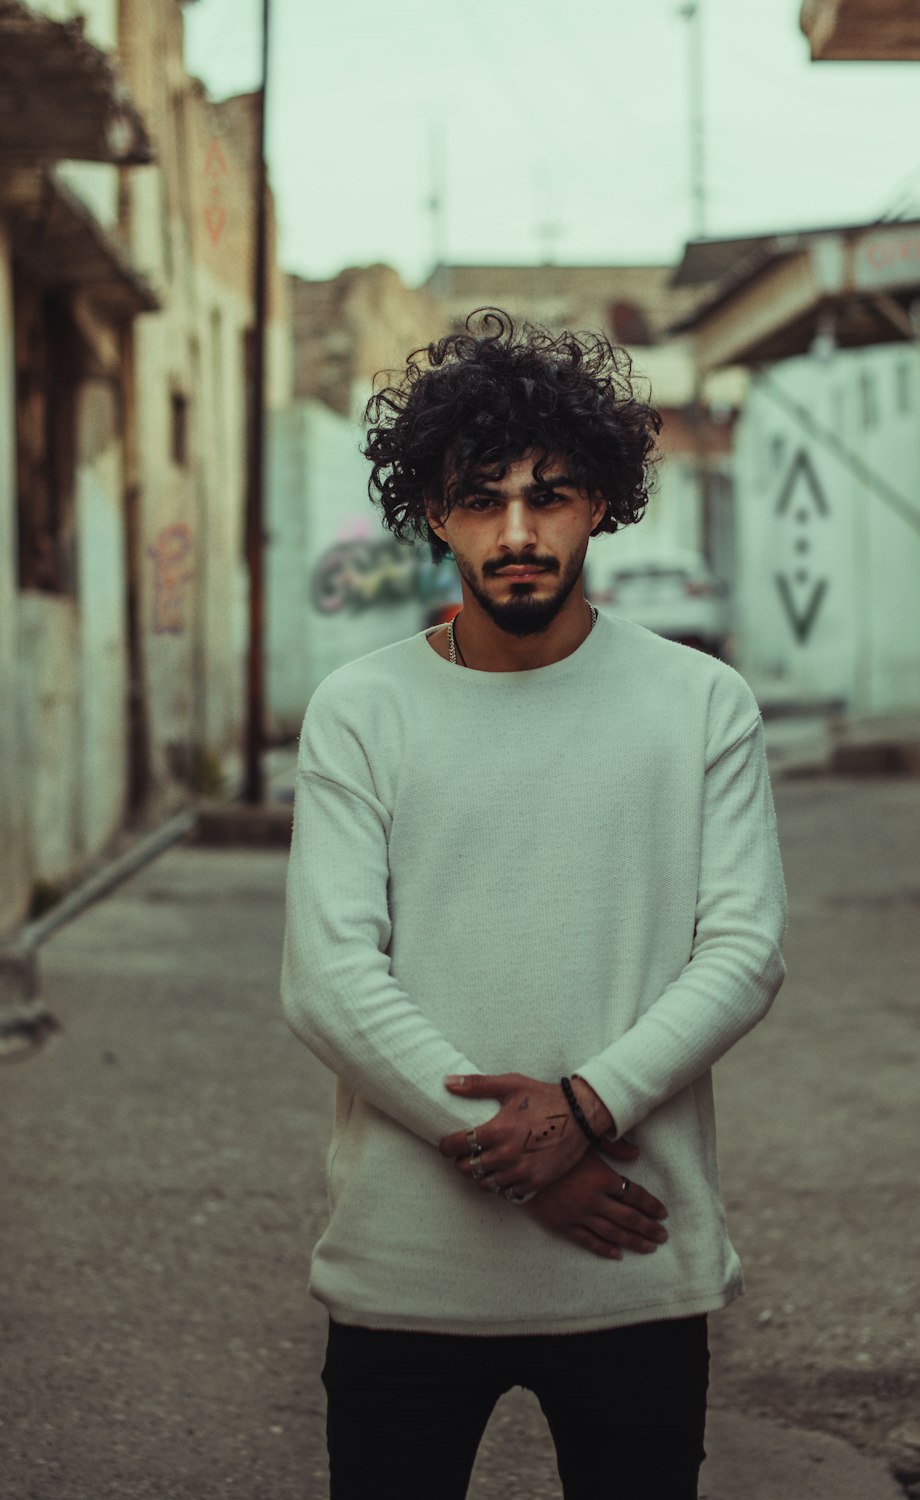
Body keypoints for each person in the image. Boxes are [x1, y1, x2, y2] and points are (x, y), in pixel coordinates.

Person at [281, 309, 787, 1500]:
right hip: (409, 1270)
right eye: (480, 496)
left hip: (633, 1261)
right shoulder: (362, 711)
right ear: (433, 512)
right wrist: (534, 1158)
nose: (517, 530)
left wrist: (583, 1107)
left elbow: (743, 951)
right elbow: (330, 979)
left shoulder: (699, 705)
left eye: (551, 494)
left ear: (602, 500)